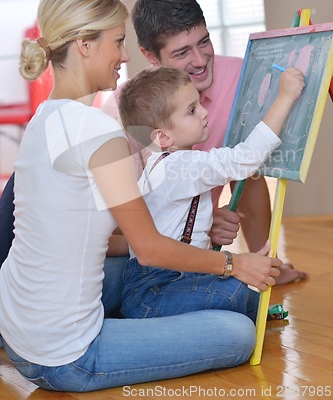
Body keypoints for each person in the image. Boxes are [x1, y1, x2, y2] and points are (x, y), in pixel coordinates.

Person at [0, 0, 282, 393]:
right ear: (84, 45)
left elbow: (98, 237)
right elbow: (148, 248)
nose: (125, 55)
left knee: (124, 268)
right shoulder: (99, 130)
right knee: (238, 333)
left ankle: (143, 323)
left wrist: (201, 224)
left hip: (17, 330)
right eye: (117, 42)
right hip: (69, 357)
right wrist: (233, 264)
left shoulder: (44, 117)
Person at [130, 0, 308, 285]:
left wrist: (206, 220)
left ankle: (267, 262)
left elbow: (248, 162)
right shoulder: (131, 112)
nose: (200, 60)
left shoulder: (243, 76)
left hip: (202, 223)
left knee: (250, 174)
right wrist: (201, 227)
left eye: (204, 42)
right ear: (150, 56)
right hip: (155, 246)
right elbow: (130, 221)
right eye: (182, 52)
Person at [118, 66, 304, 322]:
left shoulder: (164, 164)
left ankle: (245, 312)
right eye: (192, 110)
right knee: (234, 293)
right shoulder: (178, 165)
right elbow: (245, 159)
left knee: (247, 297)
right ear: (162, 136)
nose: (205, 113)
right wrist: (285, 97)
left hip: (169, 281)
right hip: (156, 290)